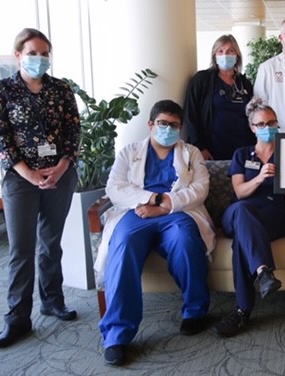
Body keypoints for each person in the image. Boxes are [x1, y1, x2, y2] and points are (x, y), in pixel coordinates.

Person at [95, 100, 216, 365]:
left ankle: (195, 311)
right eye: (163, 124)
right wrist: (150, 199)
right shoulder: (130, 152)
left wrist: (164, 205)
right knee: (123, 245)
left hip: (176, 213)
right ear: (151, 124)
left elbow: (200, 189)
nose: (168, 130)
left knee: (185, 242)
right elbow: (115, 187)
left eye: (175, 126)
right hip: (136, 213)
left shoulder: (191, 152)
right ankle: (117, 335)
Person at [0, 28, 80, 348]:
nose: (39, 59)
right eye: (33, 53)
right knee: (21, 248)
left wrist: (61, 168)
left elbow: (72, 131)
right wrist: (29, 174)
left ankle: (52, 301)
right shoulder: (2, 90)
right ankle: (17, 318)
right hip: (20, 180)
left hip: (60, 175)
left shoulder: (61, 89)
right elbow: (1, 139)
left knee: (51, 242)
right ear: (17, 55)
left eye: (44, 53)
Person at [213, 97, 285, 338]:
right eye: (261, 124)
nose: (267, 128)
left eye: (272, 122)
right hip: (240, 210)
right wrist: (261, 177)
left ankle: (243, 309)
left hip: (274, 215)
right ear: (252, 127)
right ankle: (263, 272)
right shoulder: (241, 154)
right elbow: (240, 192)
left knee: (243, 240)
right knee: (243, 212)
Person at [183, 34, 255, 160]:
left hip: (242, 148)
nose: (225, 55)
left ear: (237, 56)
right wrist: (200, 147)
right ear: (214, 56)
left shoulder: (244, 83)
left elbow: (253, 114)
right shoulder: (202, 80)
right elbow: (190, 115)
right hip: (212, 149)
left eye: (230, 51)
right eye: (220, 51)